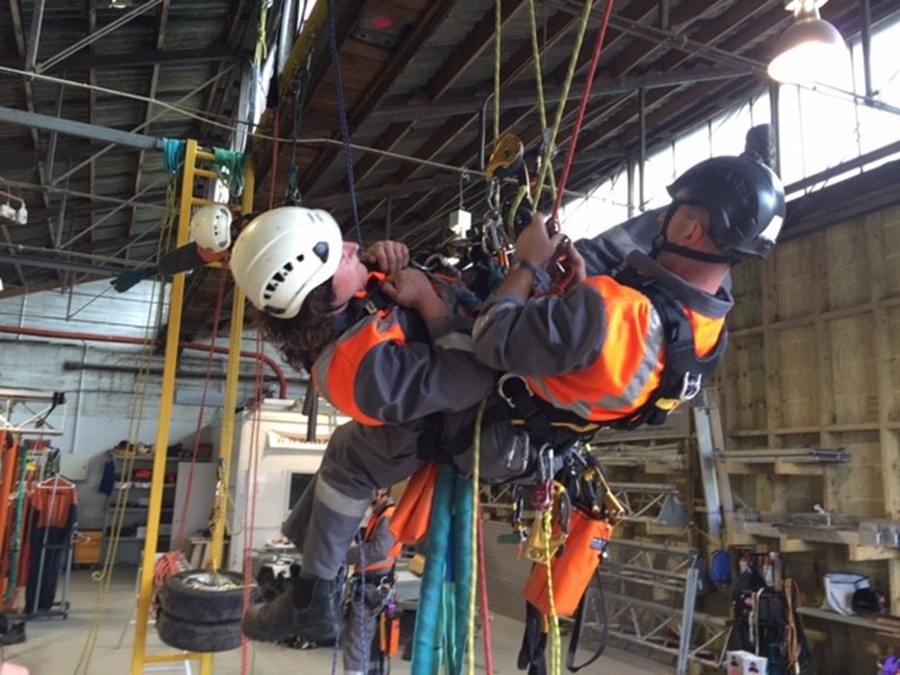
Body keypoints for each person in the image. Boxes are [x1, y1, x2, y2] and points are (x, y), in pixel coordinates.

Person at [234, 149, 785, 647]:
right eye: (345, 256)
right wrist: (402, 273)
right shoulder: (704, 326)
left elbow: (484, 353)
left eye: (673, 216)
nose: (355, 247)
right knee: (349, 454)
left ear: (690, 228)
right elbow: (602, 311)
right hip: (537, 429)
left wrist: (520, 268)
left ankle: (313, 595)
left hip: (492, 426)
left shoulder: (611, 312)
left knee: (352, 456)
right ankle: (312, 575)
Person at [340, 488, 402, 675]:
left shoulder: (389, 515)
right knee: (369, 644)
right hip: (372, 587)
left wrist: (340, 554)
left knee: (357, 643)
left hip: (373, 589)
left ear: (381, 491)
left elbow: (377, 551)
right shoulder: (380, 515)